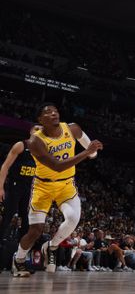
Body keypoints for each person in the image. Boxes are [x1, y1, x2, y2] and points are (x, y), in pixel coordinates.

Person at [11, 103, 103, 277]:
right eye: (48, 112)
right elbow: (57, 166)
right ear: (40, 120)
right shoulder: (35, 142)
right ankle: (19, 259)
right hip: (43, 186)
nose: (53, 113)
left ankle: (51, 246)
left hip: (66, 185)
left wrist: (92, 152)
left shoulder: (73, 129)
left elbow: (91, 149)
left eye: (55, 111)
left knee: (73, 219)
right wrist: (86, 153)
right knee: (35, 231)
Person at [0, 126, 39, 264]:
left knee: (27, 225)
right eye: (36, 130)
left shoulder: (41, 152)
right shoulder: (21, 145)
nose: (38, 132)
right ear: (31, 131)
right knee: (5, 220)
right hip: (14, 187)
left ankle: (20, 259)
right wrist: (1, 188)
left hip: (28, 190)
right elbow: (5, 167)